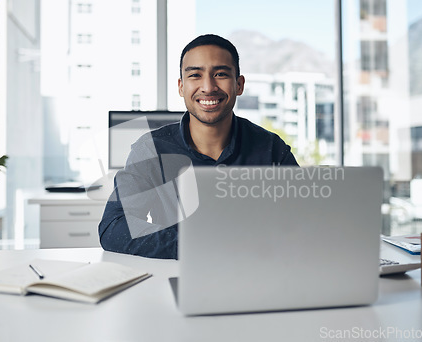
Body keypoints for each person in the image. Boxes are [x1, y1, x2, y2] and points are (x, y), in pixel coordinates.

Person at [99, 34, 298, 259]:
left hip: (256, 274)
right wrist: (195, 245)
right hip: (177, 276)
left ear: (239, 85)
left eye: (221, 74)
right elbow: (114, 227)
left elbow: (304, 222)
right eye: (195, 75)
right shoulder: (152, 149)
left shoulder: (271, 149)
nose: (208, 87)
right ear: (181, 87)